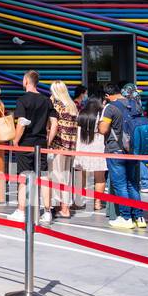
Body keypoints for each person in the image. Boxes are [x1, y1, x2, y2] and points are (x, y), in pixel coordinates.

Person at [9, 70, 53, 224]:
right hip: (41, 143)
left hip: (26, 143)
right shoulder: (46, 100)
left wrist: (15, 140)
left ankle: (21, 210)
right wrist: (49, 138)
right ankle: (47, 212)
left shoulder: (22, 100)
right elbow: (54, 122)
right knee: (44, 176)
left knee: (23, 177)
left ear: (27, 81)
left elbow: (21, 122)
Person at [101, 83, 144, 229]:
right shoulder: (134, 104)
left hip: (116, 149)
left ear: (107, 96)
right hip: (133, 150)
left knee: (120, 185)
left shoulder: (110, 107)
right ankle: (139, 217)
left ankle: (126, 218)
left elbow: (103, 129)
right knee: (133, 184)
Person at [47, 81, 80, 220]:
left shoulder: (56, 105)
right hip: (70, 146)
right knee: (66, 177)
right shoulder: (72, 105)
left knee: (56, 176)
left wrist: (47, 142)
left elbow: (53, 126)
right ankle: (66, 207)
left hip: (58, 145)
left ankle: (61, 208)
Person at [74, 93, 107, 213]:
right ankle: (97, 203)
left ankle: (78, 201)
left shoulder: (81, 113)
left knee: (80, 177)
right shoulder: (101, 114)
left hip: (81, 147)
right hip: (98, 148)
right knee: (100, 178)